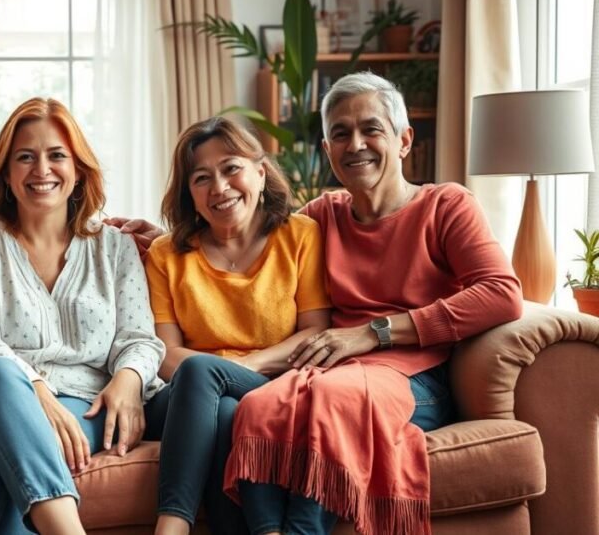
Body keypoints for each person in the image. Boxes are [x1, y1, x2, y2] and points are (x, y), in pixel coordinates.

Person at [221, 72, 523, 535]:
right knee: (261, 404)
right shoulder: (321, 216)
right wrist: (159, 238)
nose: (355, 143)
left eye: (371, 129)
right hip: (332, 372)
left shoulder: (446, 205)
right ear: (327, 151)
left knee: (330, 401)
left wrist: (373, 332)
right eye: (340, 133)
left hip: (416, 377)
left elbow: (502, 293)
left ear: (403, 140)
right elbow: (245, 245)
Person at [0, 97, 166, 534]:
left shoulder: (115, 247)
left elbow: (140, 338)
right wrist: (35, 394)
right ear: (7, 171)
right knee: (0, 373)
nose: (42, 170)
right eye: (25, 157)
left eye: (56, 156)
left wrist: (128, 379)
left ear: (78, 170)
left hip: (80, 404)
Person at [144, 117, 332, 535]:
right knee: (221, 404)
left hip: (275, 385)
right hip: (182, 400)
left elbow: (315, 329)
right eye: (201, 178)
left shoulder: (300, 235)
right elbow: (166, 355)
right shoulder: (165, 255)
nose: (220, 187)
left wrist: (241, 367)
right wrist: (214, 377)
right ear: (189, 195)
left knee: (222, 392)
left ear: (261, 174)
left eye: (232, 168)